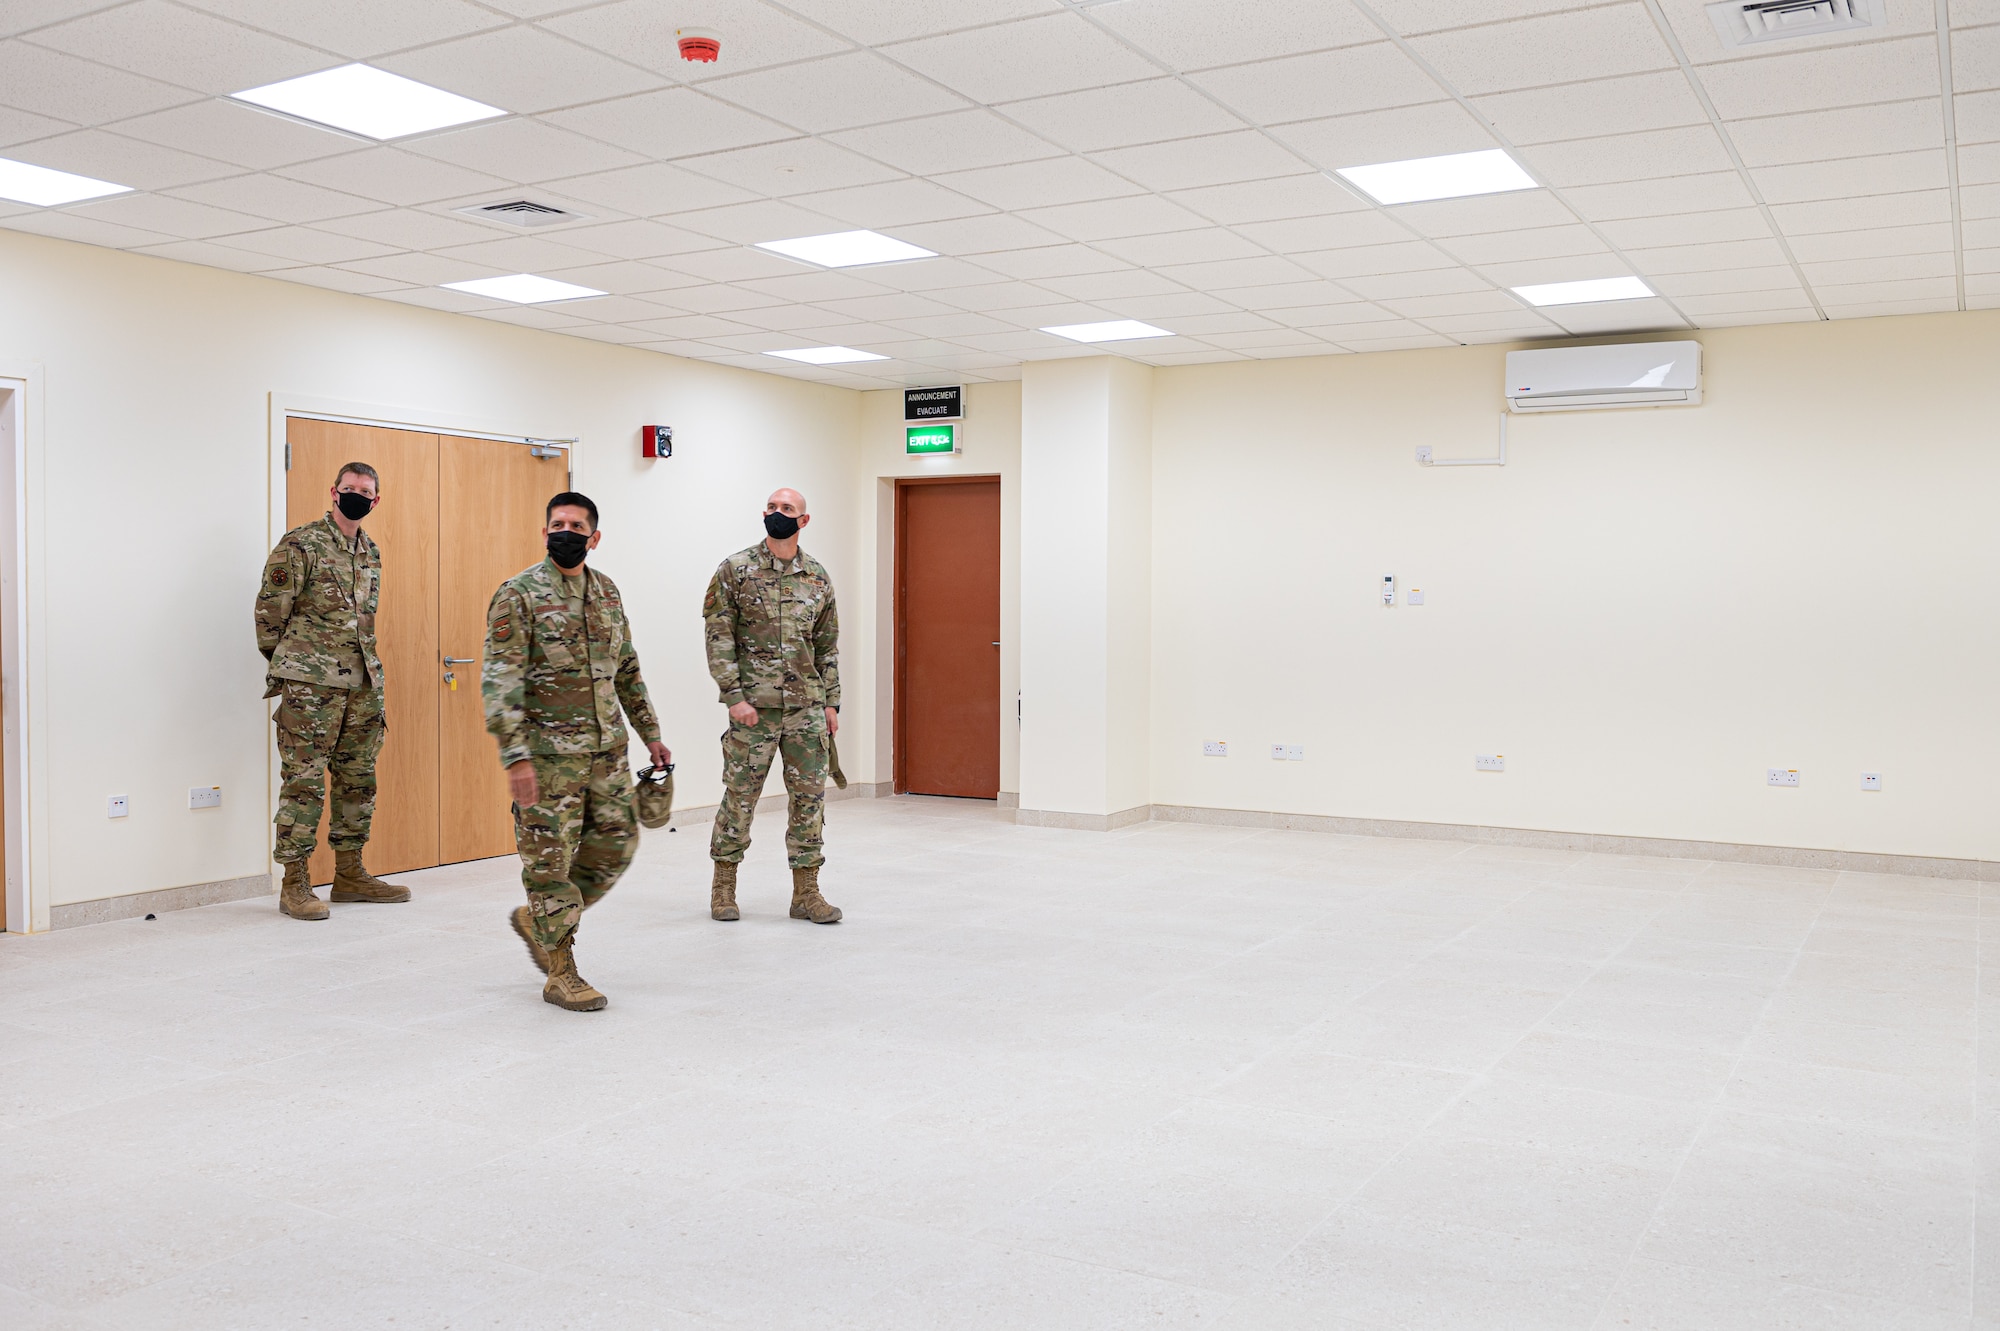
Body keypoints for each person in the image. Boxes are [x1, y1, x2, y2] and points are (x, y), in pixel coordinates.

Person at [483, 491, 670, 1011]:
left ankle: (539, 919)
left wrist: (651, 734)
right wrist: (515, 756)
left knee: (617, 844)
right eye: (557, 524)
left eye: (576, 524)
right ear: (545, 532)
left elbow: (627, 670)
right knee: (549, 863)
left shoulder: (607, 593)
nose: (565, 531)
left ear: (594, 536)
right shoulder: (518, 595)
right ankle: (560, 970)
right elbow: (501, 681)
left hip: (606, 749)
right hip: (546, 757)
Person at [255, 462, 409, 921]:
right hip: (312, 685)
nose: (356, 496)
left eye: (365, 491)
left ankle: (349, 874)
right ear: (334, 491)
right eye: (349, 489)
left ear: (375, 500)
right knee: (303, 783)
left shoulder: (371, 552)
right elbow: (268, 615)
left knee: (357, 781)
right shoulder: (301, 544)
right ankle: (294, 882)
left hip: (362, 685)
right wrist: (297, 668)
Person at [703, 487, 843, 925]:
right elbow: (718, 635)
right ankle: (723, 887)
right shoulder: (735, 570)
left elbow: (827, 646)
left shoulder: (818, 577)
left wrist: (831, 703)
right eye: (772, 508)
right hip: (754, 709)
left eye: (787, 509)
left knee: (809, 801)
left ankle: (806, 892)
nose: (777, 514)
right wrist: (733, 695)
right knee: (740, 798)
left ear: (803, 521)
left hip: (806, 708)